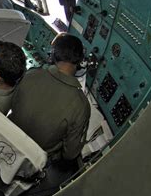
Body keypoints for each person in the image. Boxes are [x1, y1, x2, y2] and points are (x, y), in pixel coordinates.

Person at [8, 33, 91, 162]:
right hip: (32, 161)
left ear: (53, 55)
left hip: (7, 139)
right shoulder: (82, 105)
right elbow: (70, 154)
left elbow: (12, 104)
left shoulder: (30, 75)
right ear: (80, 61)